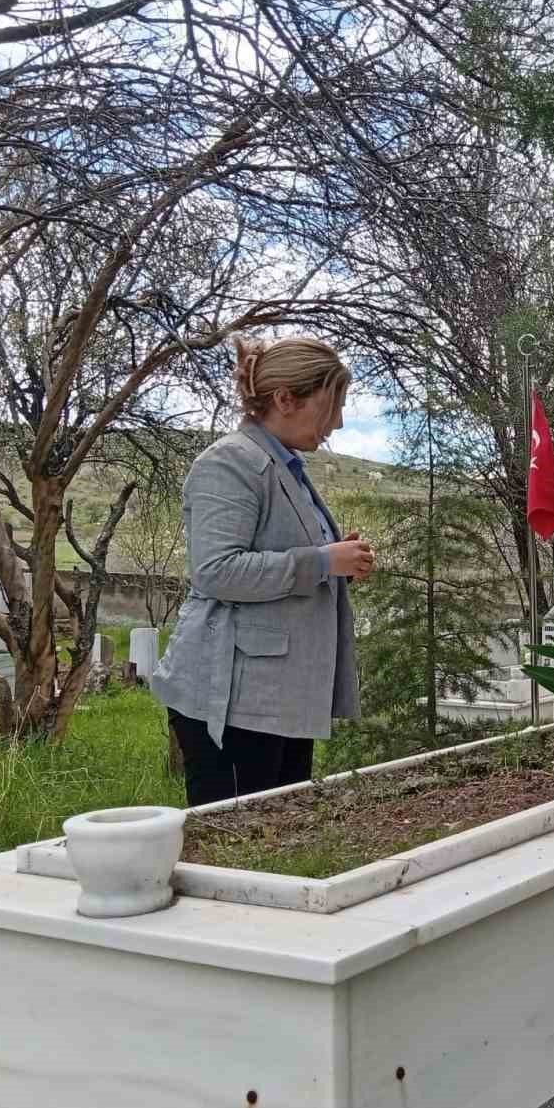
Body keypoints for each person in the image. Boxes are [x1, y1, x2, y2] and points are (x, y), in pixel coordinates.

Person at [151, 336, 376, 807]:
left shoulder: (284, 466)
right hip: (234, 699)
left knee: (279, 840)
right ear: (285, 399)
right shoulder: (230, 462)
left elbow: (285, 556)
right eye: (331, 406)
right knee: (237, 845)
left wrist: (337, 561)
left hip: (278, 697)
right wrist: (321, 561)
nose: (336, 423)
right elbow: (215, 571)